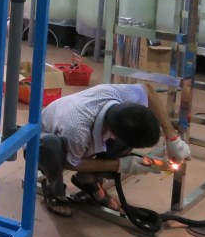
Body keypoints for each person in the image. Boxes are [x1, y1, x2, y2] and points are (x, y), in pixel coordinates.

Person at [36, 81, 191, 217]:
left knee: (131, 132)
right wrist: (121, 164)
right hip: (44, 142)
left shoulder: (120, 95)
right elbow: (71, 163)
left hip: (82, 126)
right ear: (114, 135)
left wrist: (172, 138)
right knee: (50, 146)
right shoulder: (77, 132)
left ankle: (86, 179)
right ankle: (54, 190)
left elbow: (148, 91)